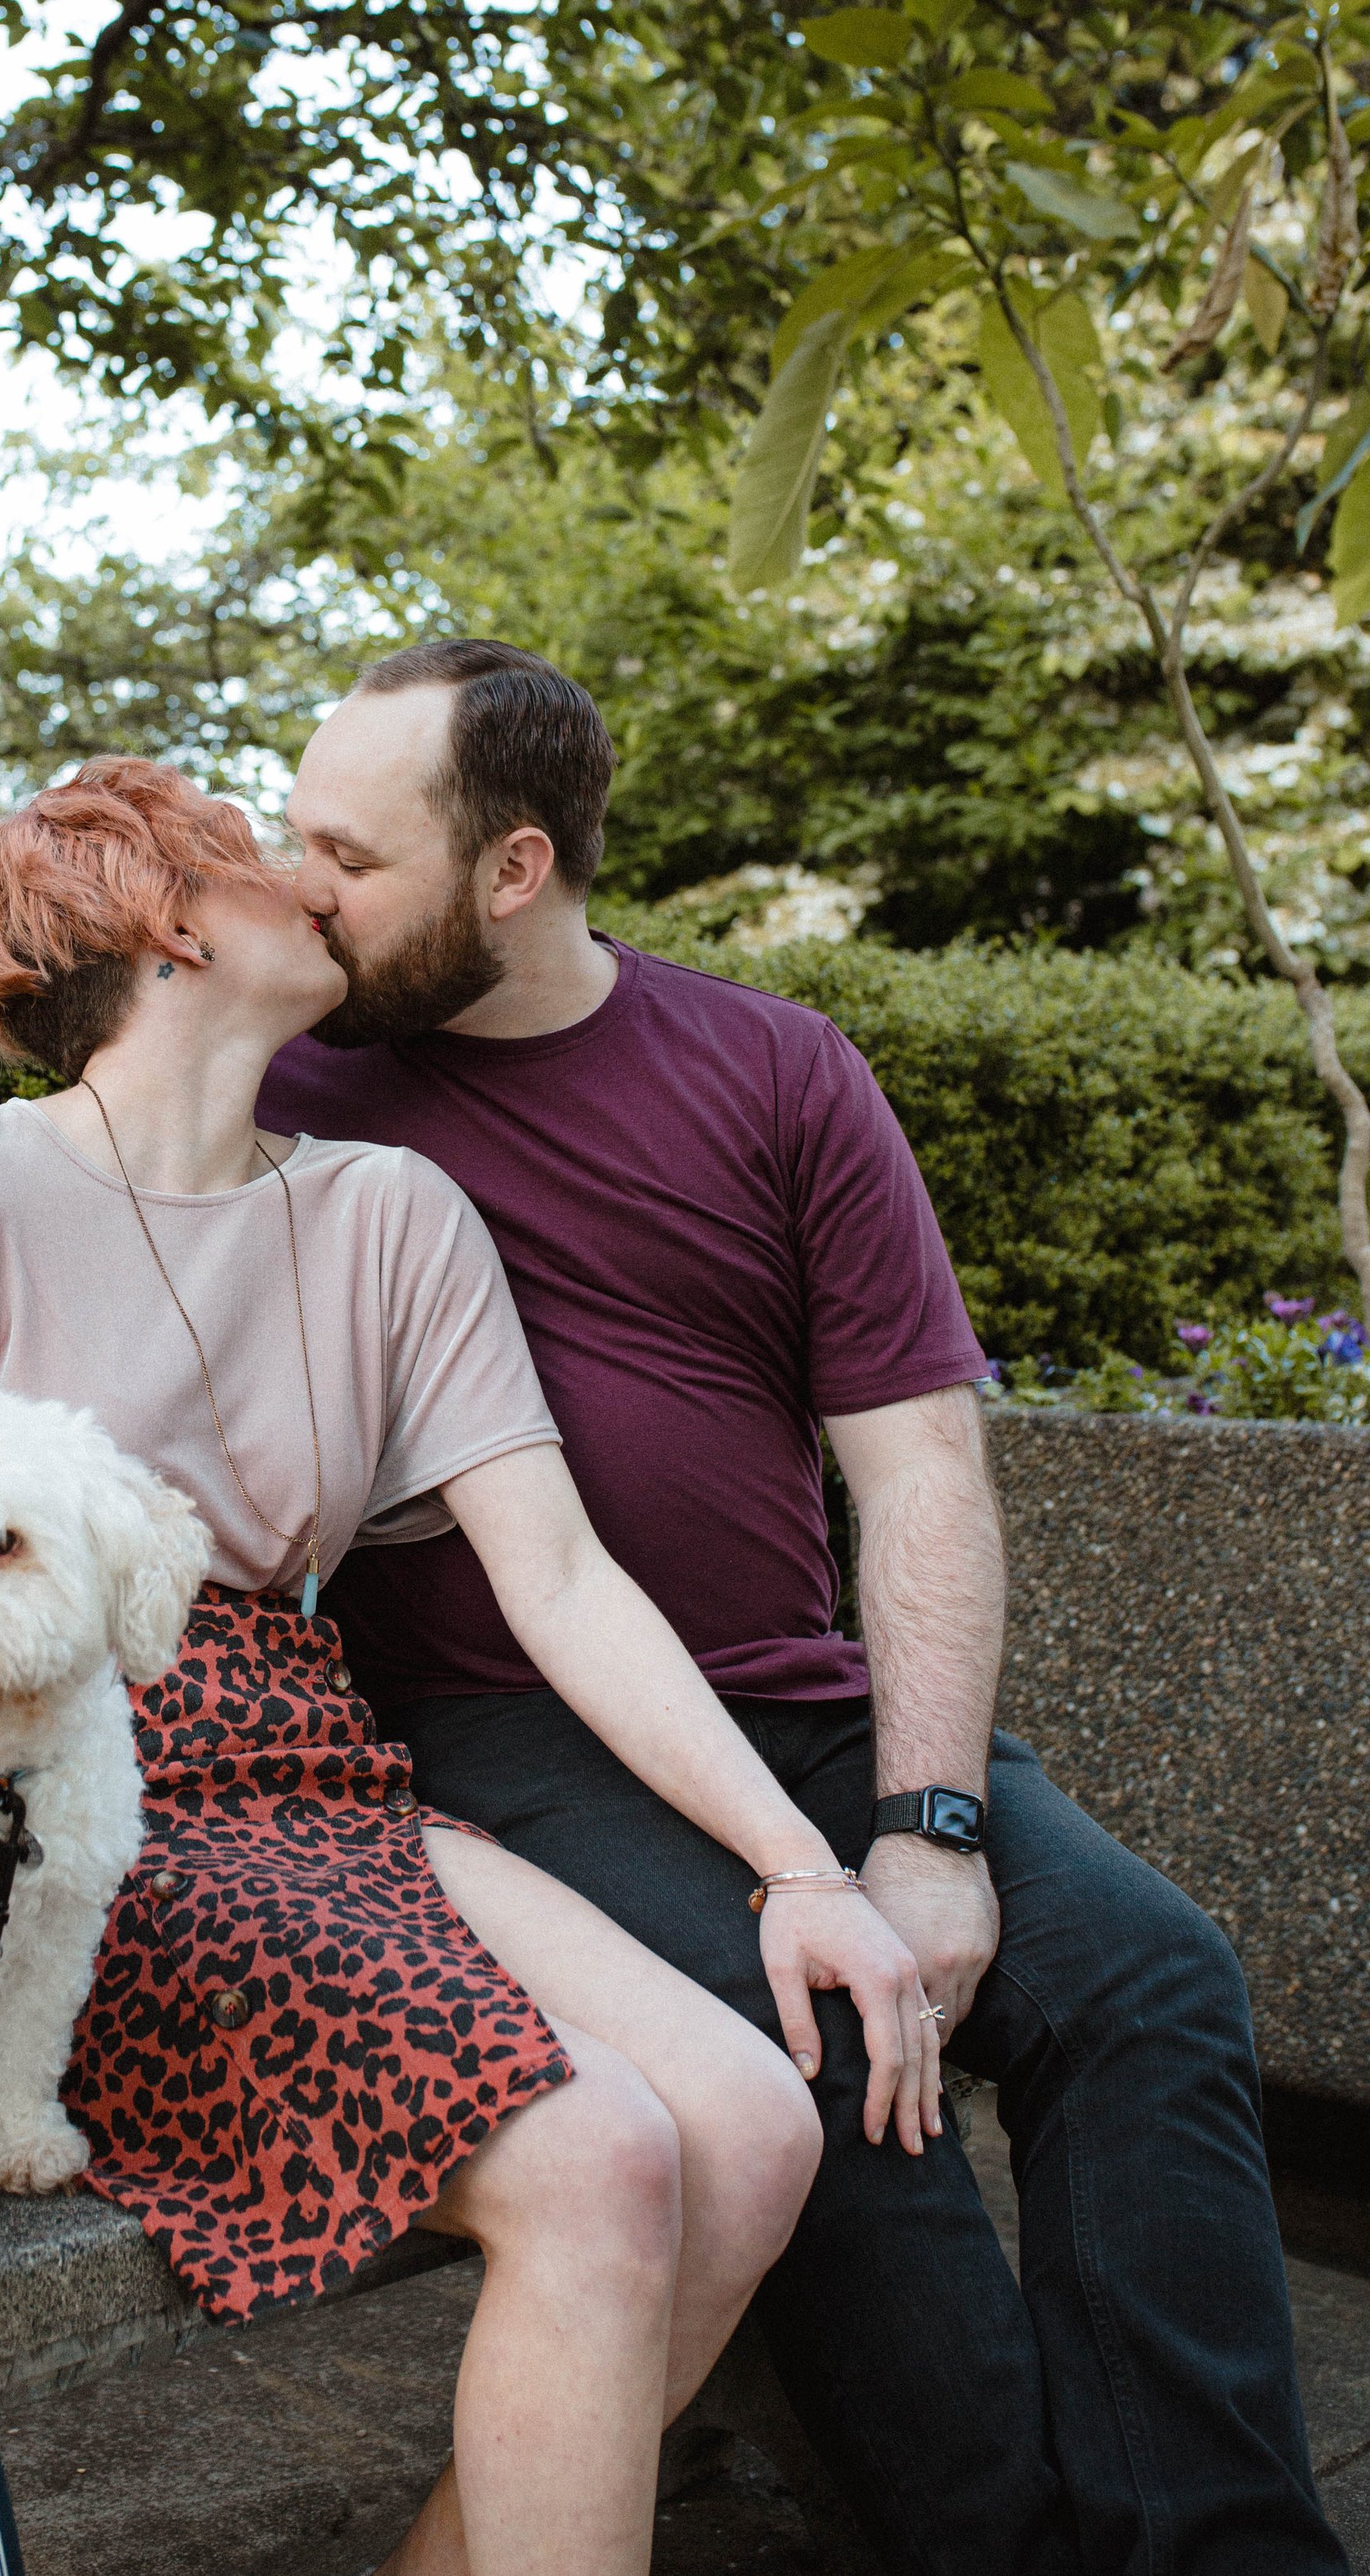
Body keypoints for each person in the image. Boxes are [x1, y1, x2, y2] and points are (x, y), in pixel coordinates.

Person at [0, 757, 938, 2576]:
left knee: (755, 2130)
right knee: (603, 2162)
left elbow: (558, 1575)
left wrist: (800, 1866)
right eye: (261, 854)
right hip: (73, 1794)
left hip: (322, 1768)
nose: (312, 880)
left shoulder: (390, 1210)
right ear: (170, 925)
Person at [254, 638, 1346, 2576]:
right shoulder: (288, 1093)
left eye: (346, 849)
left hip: (805, 1707)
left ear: (512, 870)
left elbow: (918, 1472)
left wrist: (928, 1831)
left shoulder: (771, 1067)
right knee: (822, 2044)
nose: (292, 881)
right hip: (519, 1741)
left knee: (1148, 1977)